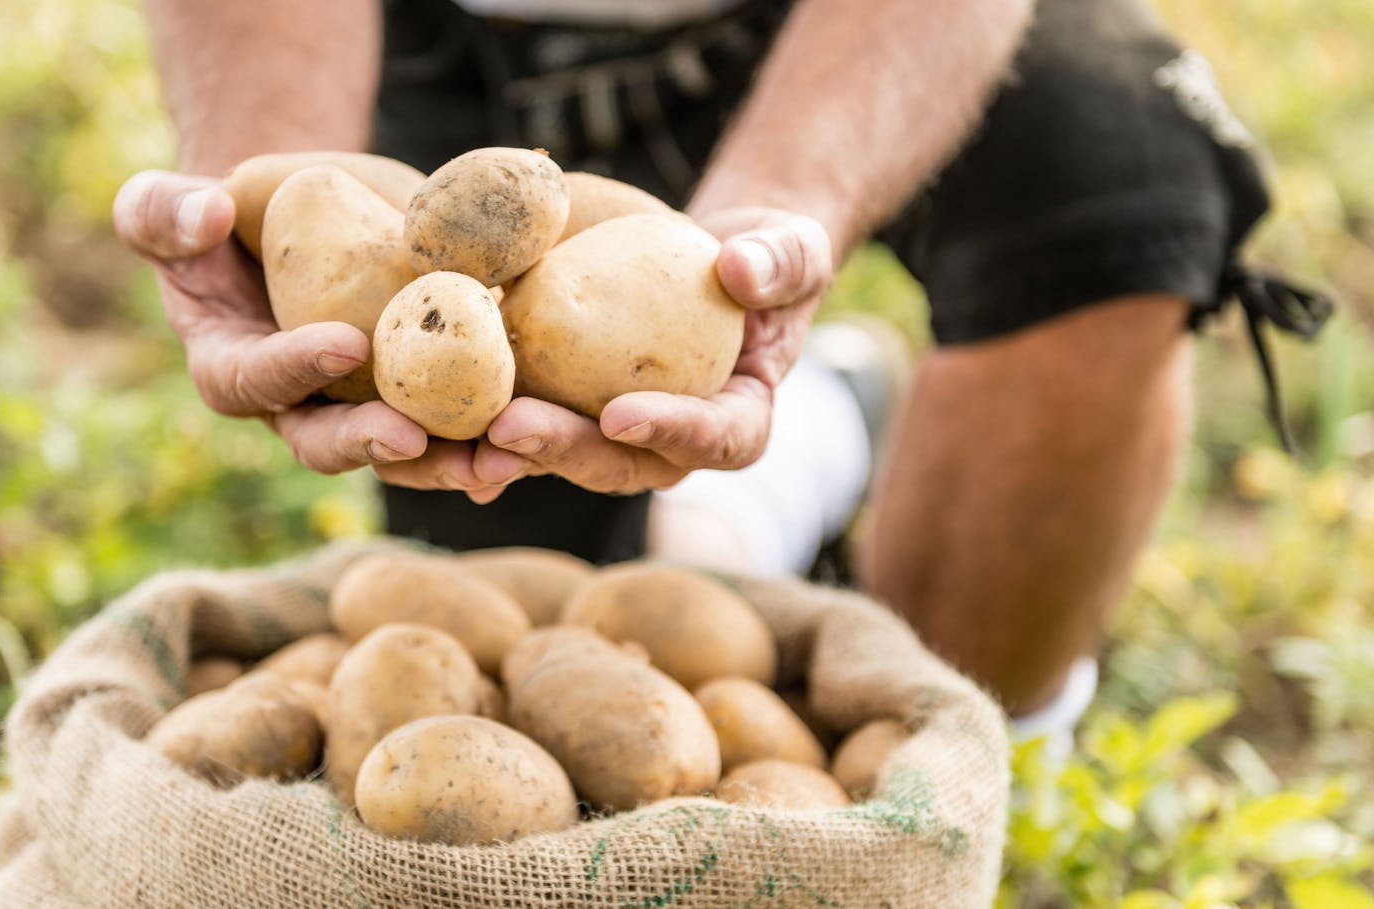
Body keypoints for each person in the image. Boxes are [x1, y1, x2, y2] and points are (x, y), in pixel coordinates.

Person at [112, 0, 1327, 736]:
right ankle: (820, 436)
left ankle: (974, 767)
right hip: (440, 43)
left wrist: (771, 217)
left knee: (1118, 195)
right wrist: (253, 198)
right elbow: (289, 193)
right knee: (551, 602)